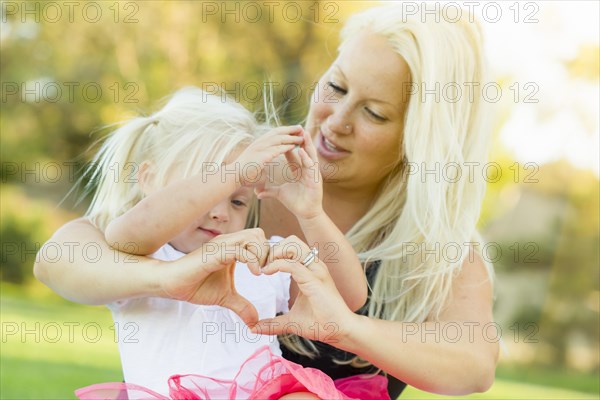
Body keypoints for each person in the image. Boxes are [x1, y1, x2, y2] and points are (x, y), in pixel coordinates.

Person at [34, 4, 499, 398]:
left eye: (374, 113)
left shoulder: (436, 246)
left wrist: (346, 328)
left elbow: (473, 366)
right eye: (335, 88)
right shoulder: (244, 172)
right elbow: (64, 256)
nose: (336, 121)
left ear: (421, 138)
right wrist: (166, 277)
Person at [54, 86, 370, 400]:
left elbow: (349, 296)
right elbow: (132, 229)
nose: (219, 212)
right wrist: (234, 173)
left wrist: (311, 212)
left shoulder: (259, 257)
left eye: (236, 201)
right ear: (149, 179)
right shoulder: (137, 256)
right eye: (206, 189)